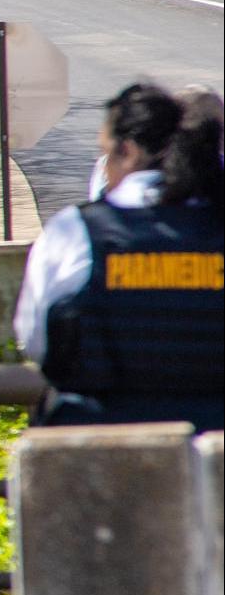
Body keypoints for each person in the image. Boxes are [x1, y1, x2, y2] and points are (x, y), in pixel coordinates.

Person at [15, 82, 223, 430]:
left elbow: (34, 340)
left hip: (103, 443)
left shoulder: (76, 232)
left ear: (126, 152)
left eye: (105, 153)